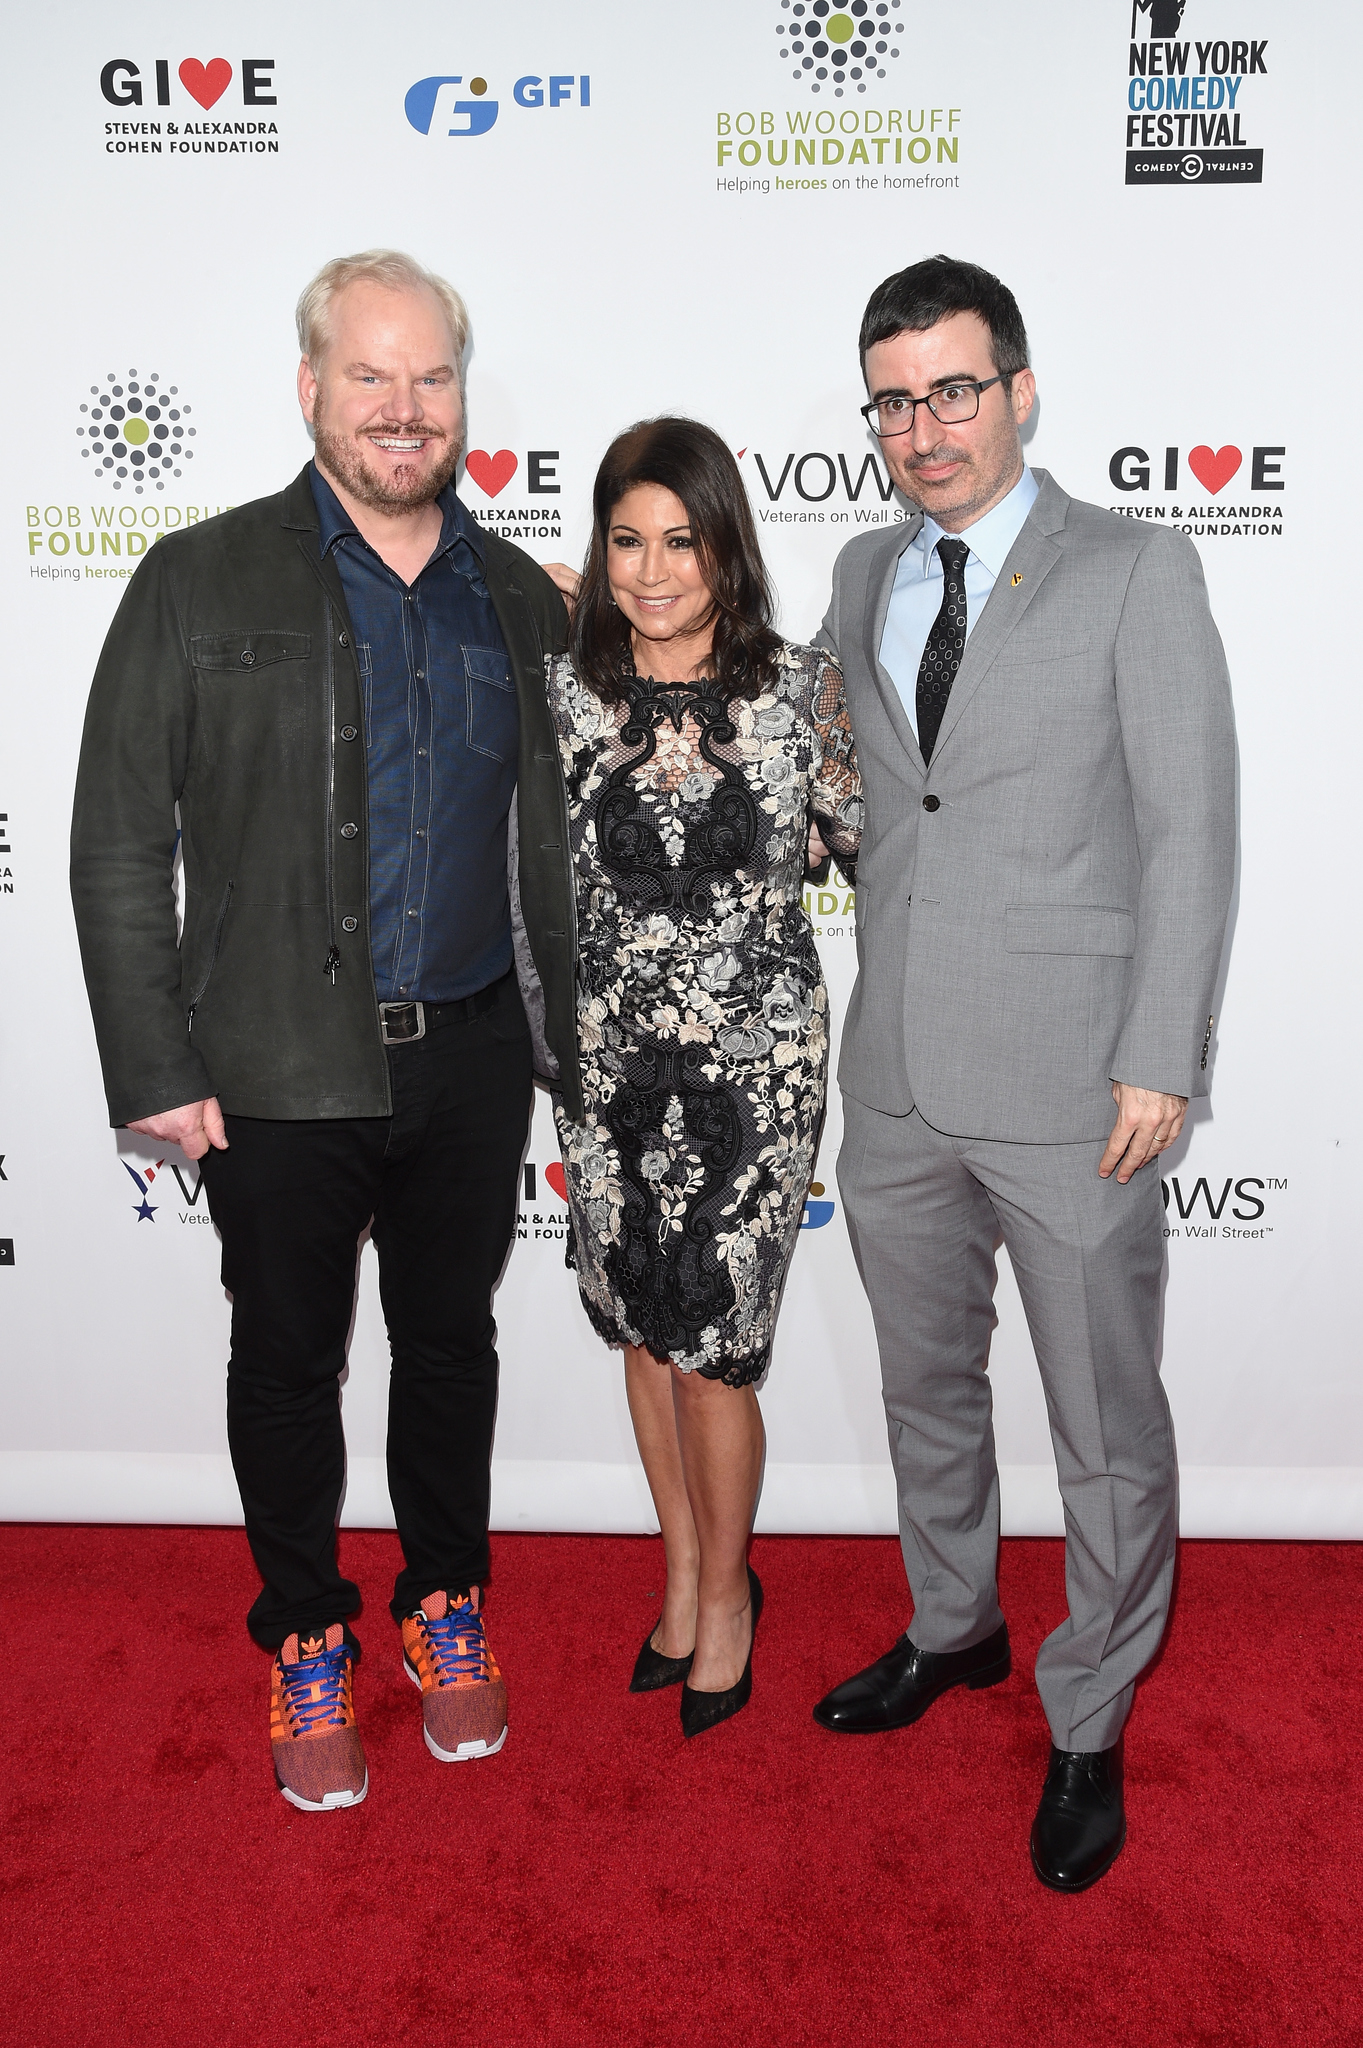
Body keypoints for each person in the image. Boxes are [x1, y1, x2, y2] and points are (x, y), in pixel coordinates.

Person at [70, 249, 582, 1812]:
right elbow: (110, 839)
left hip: (477, 1053)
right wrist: (158, 1066)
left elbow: (572, 835)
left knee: (449, 1347)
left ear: (461, 399)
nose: (404, 407)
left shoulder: (518, 596)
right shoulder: (196, 576)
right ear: (312, 391)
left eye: (430, 377)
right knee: (286, 1364)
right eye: (371, 376)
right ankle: (304, 1631)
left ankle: (443, 1603)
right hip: (274, 1067)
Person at [810, 255, 1235, 1889]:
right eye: (896, 401)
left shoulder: (1136, 568)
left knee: (1104, 1423)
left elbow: (1193, 826)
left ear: (1022, 389)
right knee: (927, 1390)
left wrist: (1161, 1056)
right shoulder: (862, 572)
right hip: (901, 1071)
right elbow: (887, 803)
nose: (926, 428)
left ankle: (1090, 1713)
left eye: (956, 391)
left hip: (1078, 1086)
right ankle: (953, 1627)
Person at [544, 418, 862, 1736]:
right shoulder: (561, 688)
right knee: (641, 1325)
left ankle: (729, 1597)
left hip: (755, 1065)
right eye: (627, 539)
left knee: (716, 1351)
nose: (653, 569)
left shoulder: (805, 690)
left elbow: (880, 849)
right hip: (607, 1058)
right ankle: (679, 1567)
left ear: (728, 546)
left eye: (682, 539)